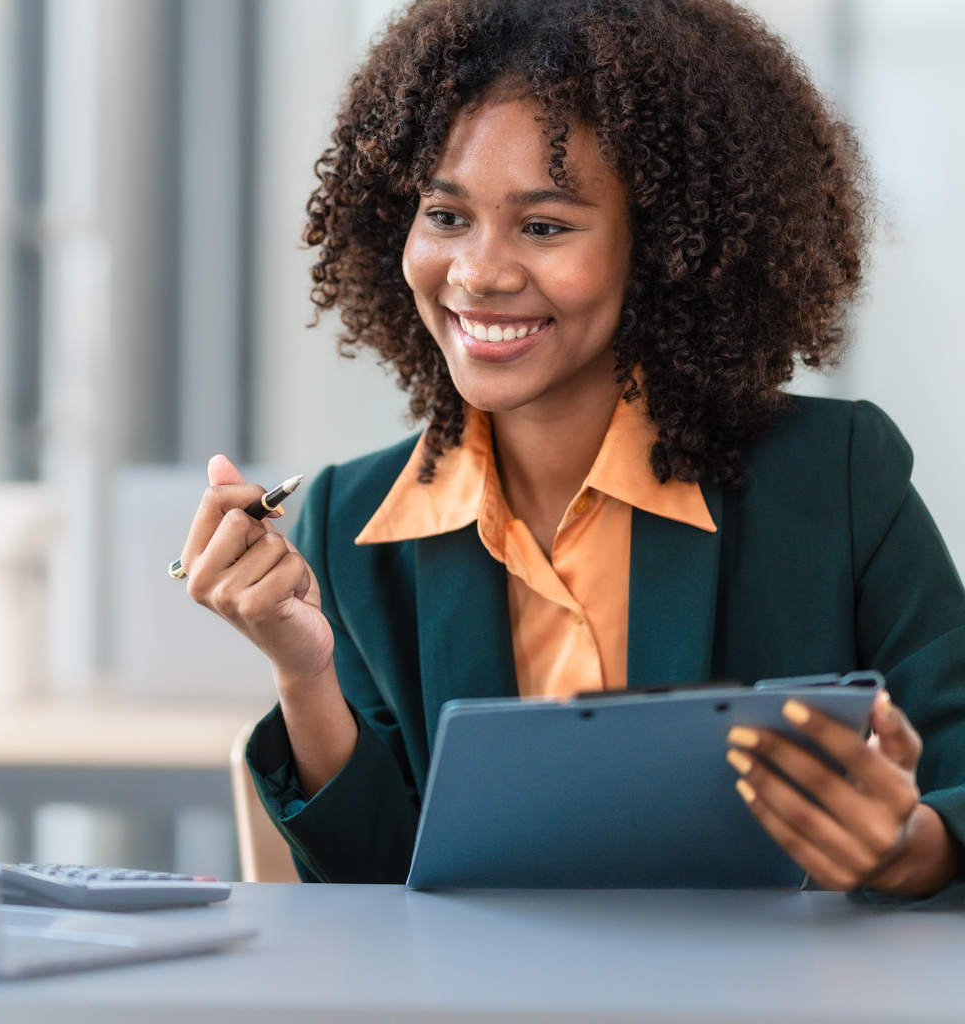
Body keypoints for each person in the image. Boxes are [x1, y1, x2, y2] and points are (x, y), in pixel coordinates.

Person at [179, 0, 965, 895]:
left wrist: (911, 846)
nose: (479, 272)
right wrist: (302, 670)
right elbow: (383, 891)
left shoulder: (835, 480)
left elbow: (957, 778)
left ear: (666, 246)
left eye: (545, 226)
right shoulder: (348, 524)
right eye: (445, 215)